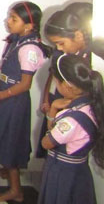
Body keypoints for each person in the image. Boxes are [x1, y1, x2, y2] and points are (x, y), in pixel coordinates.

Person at [0, 1, 49, 202]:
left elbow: (25, 84)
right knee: (0, 136)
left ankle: (16, 190)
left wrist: (0, 96)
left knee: (11, 142)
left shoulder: (29, 48)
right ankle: (8, 170)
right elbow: (3, 67)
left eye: (14, 19)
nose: (8, 21)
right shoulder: (15, 41)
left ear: (29, 26)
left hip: (14, 100)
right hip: (3, 93)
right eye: (9, 16)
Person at [38, 53, 104, 204]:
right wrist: (54, 108)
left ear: (67, 86)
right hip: (79, 171)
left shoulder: (72, 120)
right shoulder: (90, 105)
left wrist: (52, 112)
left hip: (63, 173)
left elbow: (46, 143)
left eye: (56, 83)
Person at [37, 3, 93, 157]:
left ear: (79, 35)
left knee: (67, 148)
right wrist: (47, 99)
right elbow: (52, 76)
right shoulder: (60, 54)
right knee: (52, 144)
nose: (59, 48)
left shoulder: (90, 59)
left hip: (75, 110)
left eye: (61, 43)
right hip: (58, 100)